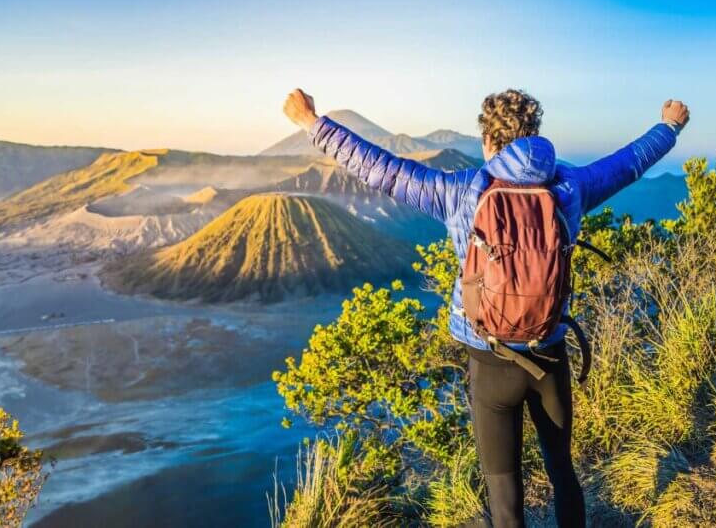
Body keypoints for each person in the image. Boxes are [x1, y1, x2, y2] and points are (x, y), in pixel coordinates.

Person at [282, 88, 689, 527]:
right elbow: (630, 162)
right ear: (533, 133)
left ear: (488, 141)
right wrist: (669, 127)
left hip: (489, 359)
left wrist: (314, 124)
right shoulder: (570, 187)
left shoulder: (460, 192)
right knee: (562, 471)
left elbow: (381, 169)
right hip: (549, 353)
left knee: (503, 486)